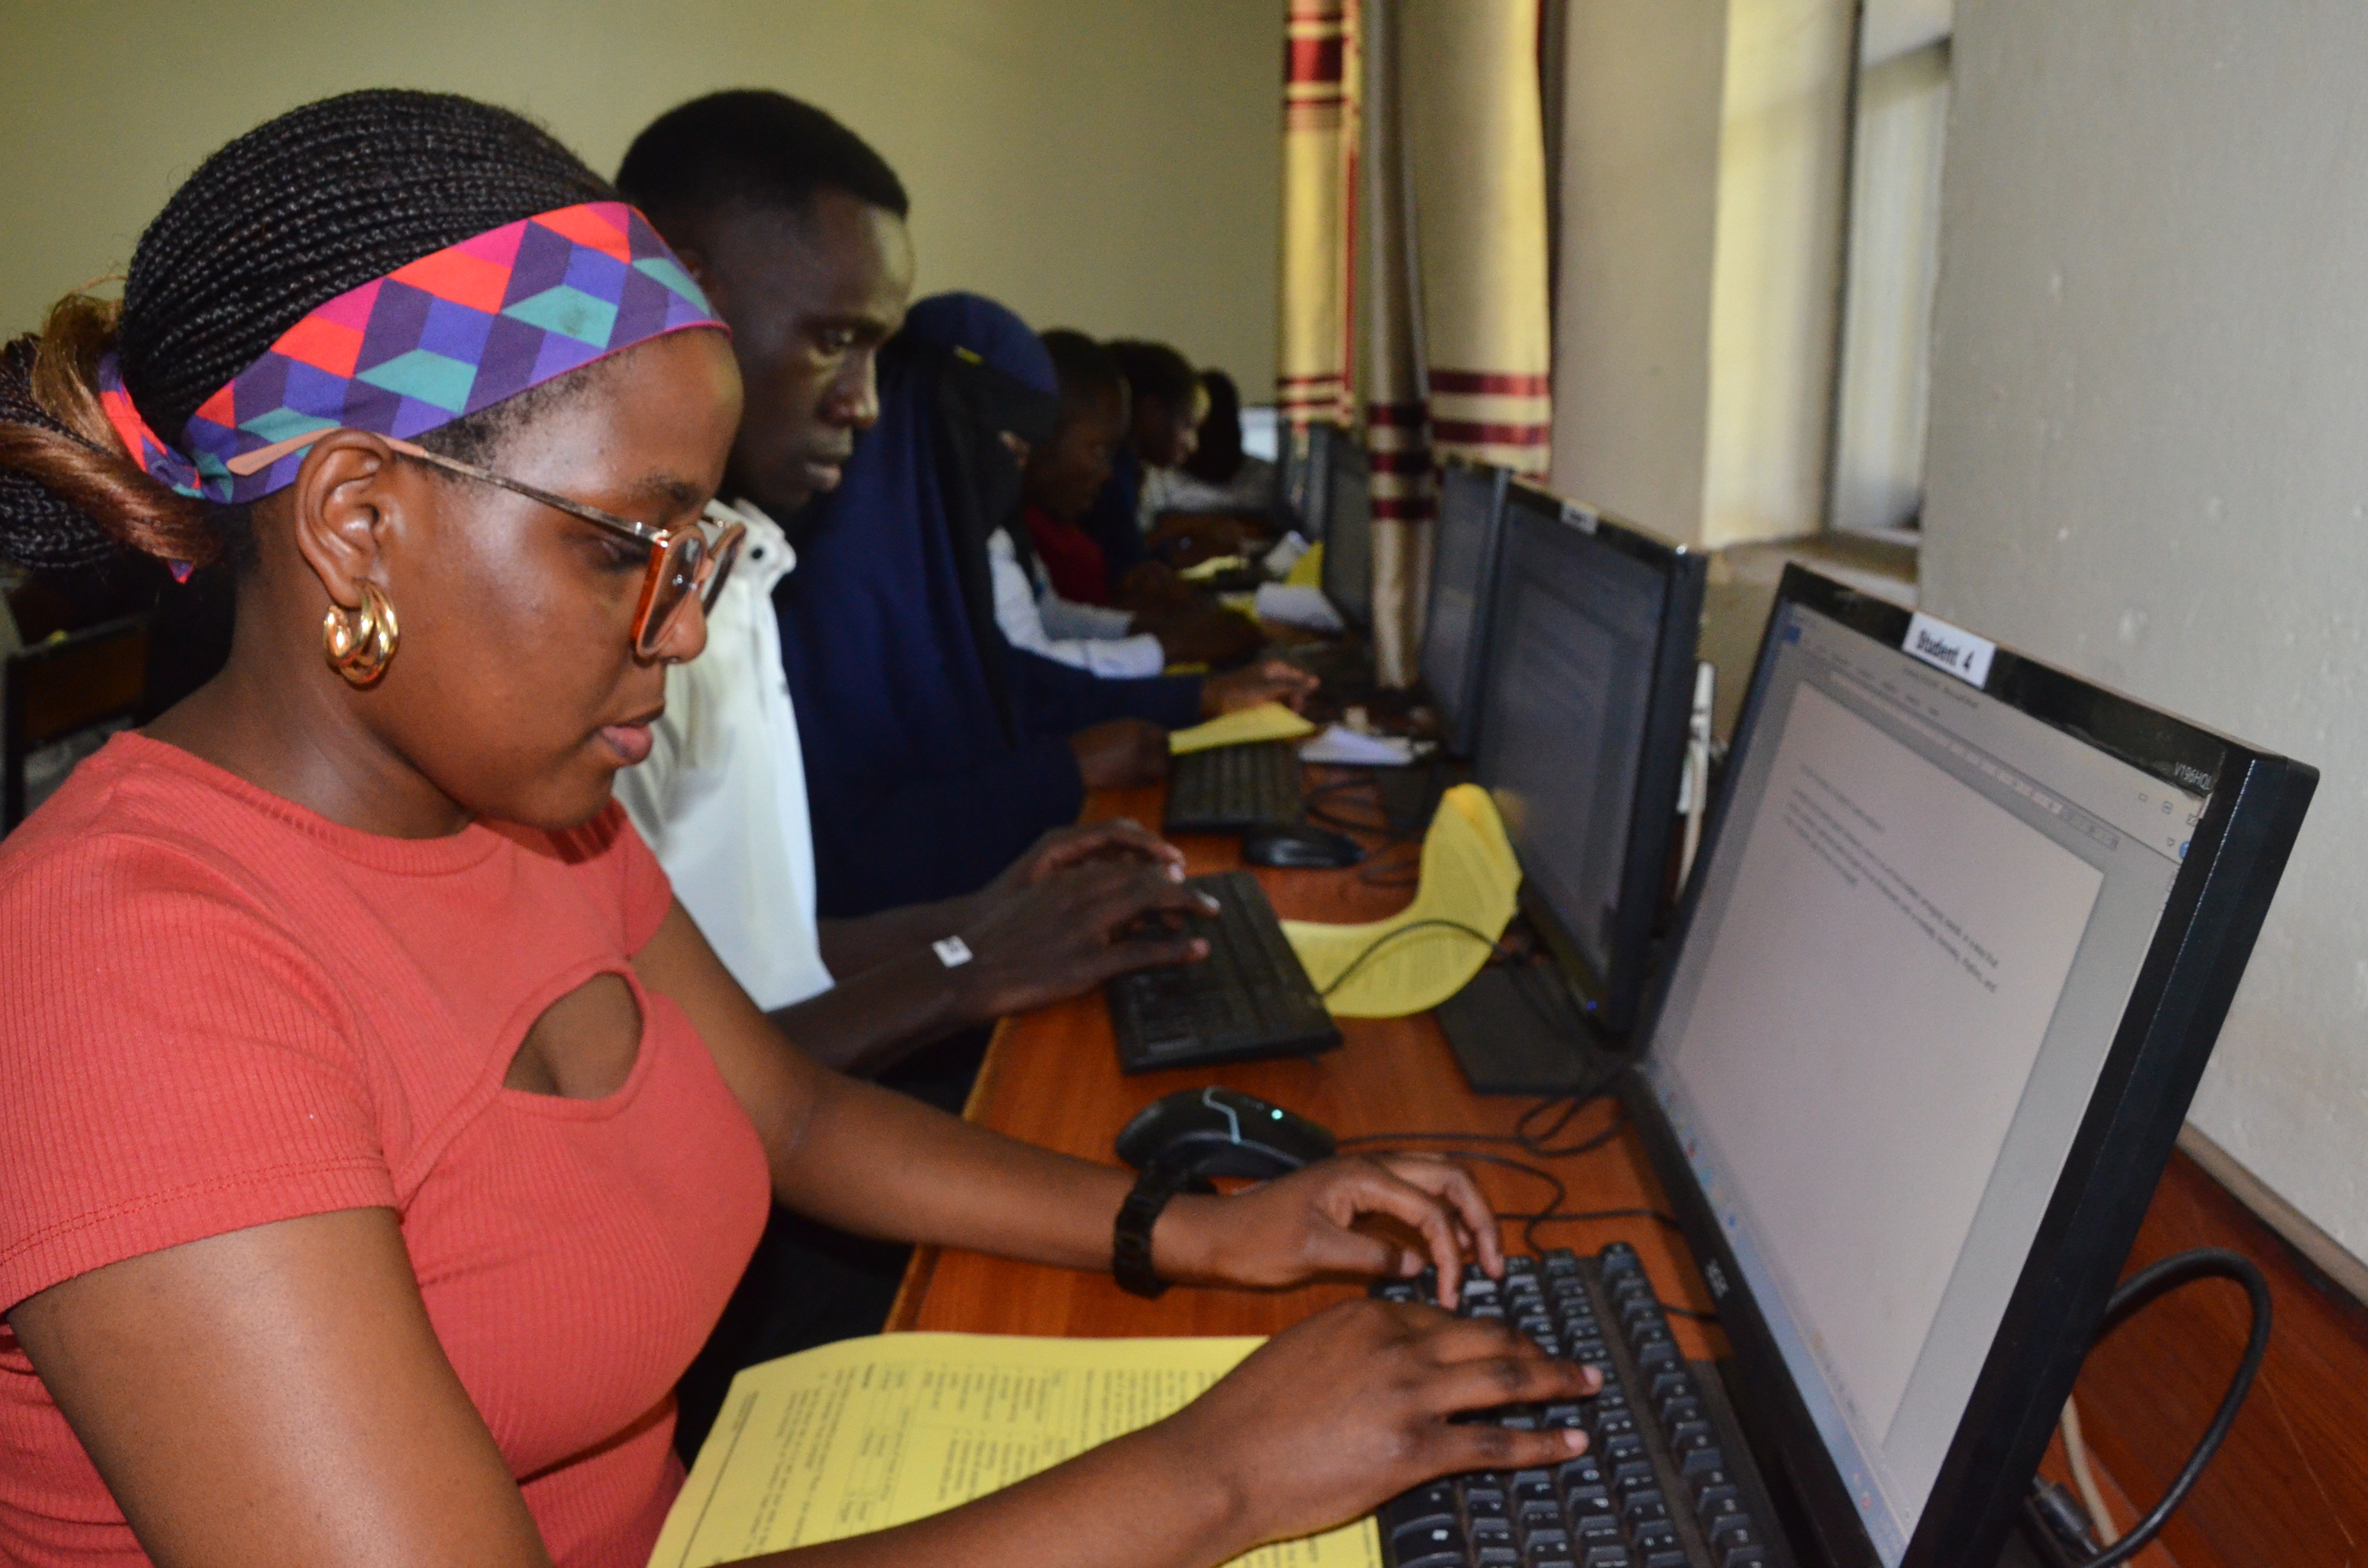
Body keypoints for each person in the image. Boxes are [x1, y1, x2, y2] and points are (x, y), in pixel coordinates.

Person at [0, 90, 1595, 1568]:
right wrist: (1217, 1474)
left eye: (699, 548)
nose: (684, 630)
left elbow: (797, 1119)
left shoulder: (519, 805)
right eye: (634, 546)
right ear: (361, 520)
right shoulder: (122, 974)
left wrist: (1200, 1226)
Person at [1020, 330, 1257, 664]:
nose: (1106, 472)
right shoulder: (1024, 530)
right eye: (1099, 451)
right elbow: (1036, 664)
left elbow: (1050, 617)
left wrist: (1157, 632)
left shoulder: (1024, 527)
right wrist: (1168, 645)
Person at [1149, 368, 1278, 518]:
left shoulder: (1269, 479)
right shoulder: (1159, 484)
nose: (1195, 445)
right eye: (1199, 427)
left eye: (1224, 426)